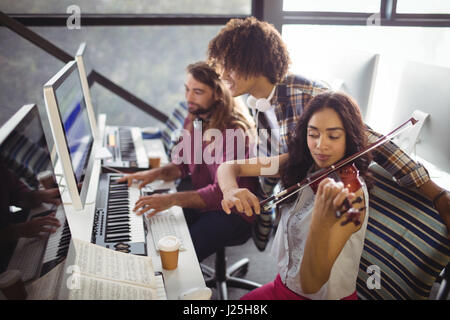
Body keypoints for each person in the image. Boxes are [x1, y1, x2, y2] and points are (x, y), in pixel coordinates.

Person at [207, 16, 450, 237]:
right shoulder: (259, 103)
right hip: (295, 200)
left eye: (230, 65)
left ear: (254, 61)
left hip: (327, 203)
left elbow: (371, 140)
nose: (223, 73)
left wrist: (436, 193)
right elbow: (276, 157)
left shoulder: (306, 95)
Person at [217, 91, 371, 299]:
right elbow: (230, 167)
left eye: (333, 136)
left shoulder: (352, 197)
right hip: (282, 287)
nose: (320, 145)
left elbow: (311, 284)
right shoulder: (301, 164)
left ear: (350, 137)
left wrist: (321, 223)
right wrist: (230, 190)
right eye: (313, 133)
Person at [118, 62, 260, 261]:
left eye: (198, 92)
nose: (188, 98)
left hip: (233, 212)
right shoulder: (196, 116)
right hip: (207, 202)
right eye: (187, 90)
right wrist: (152, 174)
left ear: (218, 93)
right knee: (152, 228)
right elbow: (182, 164)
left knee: (181, 256)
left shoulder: (234, 131)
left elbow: (221, 191)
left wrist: (171, 199)